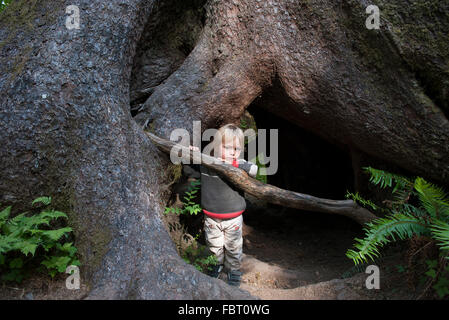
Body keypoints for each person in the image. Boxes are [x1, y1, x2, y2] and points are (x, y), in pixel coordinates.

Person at [187, 124, 258, 286]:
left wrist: (236, 164)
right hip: (211, 217)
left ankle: (233, 271)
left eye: (237, 148)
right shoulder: (207, 164)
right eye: (227, 147)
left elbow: (253, 169)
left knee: (233, 247)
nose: (232, 152)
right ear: (216, 147)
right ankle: (216, 266)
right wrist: (191, 155)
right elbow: (190, 171)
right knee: (214, 245)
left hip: (233, 218)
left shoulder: (239, 166)